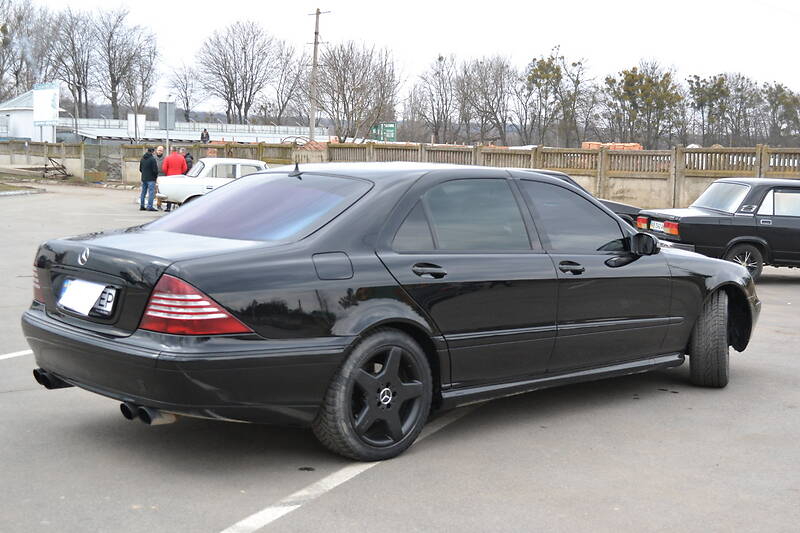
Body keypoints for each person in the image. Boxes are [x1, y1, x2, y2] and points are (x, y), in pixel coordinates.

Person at [138, 147, 158, 211]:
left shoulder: (142, 158)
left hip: (144, 178)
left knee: (143, 192)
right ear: (153, 152)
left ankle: (142, 205)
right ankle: (149, 206)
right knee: (151, 193)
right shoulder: (152, 159)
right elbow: (155, 170)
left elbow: (140, 169)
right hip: (151, 179)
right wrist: (155, 177)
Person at [154, 145, 168, 211]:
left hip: (162, 176)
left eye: (161, 150)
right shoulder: (153, 158)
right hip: (155, 175)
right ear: (156, 150)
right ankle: (154, 203)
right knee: (155, 191)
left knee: (160, 191)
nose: (160, 152)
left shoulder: (165, 158)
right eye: (159, 150)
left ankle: (159, 204)